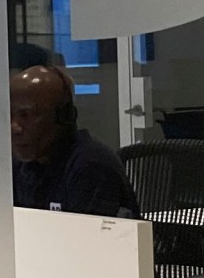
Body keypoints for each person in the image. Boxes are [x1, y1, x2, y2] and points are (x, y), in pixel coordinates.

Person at [8, 63, 136, 216]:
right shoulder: (21, 166)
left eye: (26, 115)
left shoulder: (92, 166)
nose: (14, 127)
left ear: (64, 117)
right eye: (10, 115)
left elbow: (91, 237)